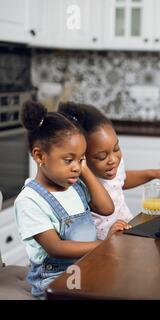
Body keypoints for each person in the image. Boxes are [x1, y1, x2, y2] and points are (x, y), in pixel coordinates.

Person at [15, 101, 128, 299]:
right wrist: (105, 244)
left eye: (81, 158)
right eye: (69, 160)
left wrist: (82, 168)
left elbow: (106, 207)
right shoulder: (30, 201)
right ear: (40, 155)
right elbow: (56, 248)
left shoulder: (74, 186)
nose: (76, 167)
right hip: (54, 280)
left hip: (86, 266)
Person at [58, 102, 160, 240]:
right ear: (81, 157)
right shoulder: (79, 181)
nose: (113, 159)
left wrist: (154, 173)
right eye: (101, 157)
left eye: (116, 148)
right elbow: (105, 208)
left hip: (126, 229)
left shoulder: (111, 165)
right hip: (101, 244)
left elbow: (119, 181)